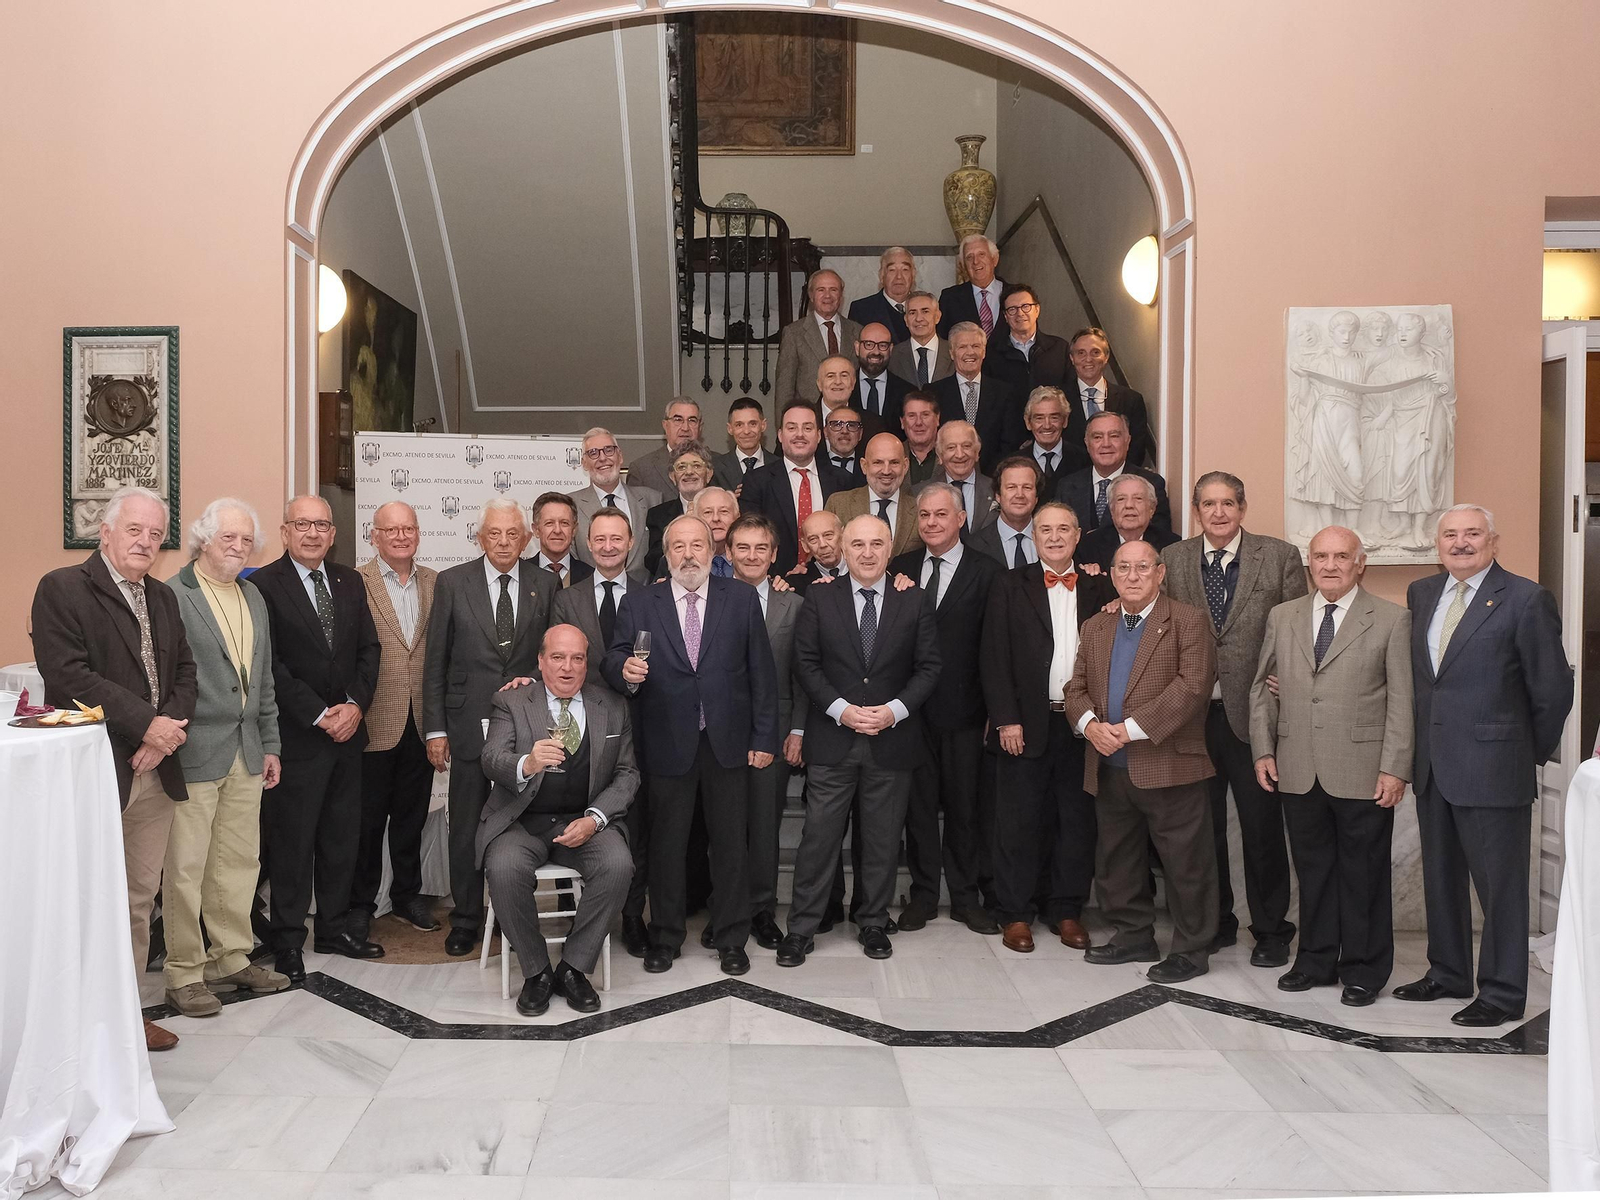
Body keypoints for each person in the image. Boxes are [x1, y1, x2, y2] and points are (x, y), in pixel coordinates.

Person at [32, 485, 198, 1052]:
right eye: (134, 530)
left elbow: (185, 674)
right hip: (97, 768)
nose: (146, 542)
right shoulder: (62, 588)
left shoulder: (163, 597)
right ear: (105, 533)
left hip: (155, 772)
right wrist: (146, 726)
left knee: (135, 901)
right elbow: (67, 675)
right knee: (83, 901)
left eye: (156, 534)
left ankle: (124, 1018)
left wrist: (163, 737)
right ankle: (71, 1025)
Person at [1395, 504, 1572, 1026]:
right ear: (1438, 544)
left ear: (1493, 541)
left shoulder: (1526, 598)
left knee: (1501, 889)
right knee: (1441, 878)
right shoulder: (1422, 593)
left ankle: (1502, 992)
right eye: (1450, 534)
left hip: (1496, 769)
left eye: (1472, 533)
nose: (1461, 543)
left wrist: (1520, 753)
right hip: (1433, 766)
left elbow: (1553, 691)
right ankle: (1448, 973)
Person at [603, 514, 778, 975]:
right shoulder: (640, 603)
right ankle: (665, 936)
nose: (688, 555)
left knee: (730, 846)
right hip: (665, 743)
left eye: (696, 545)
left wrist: (764, 737)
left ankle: (732, 938)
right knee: (667, 847)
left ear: (713, 550)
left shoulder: (740, 598)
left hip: (728, 743)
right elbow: (614, 656)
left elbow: (762, 673)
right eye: (678, 546)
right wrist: (624, 670)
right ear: (666, 554)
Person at [1250, 526, 1412, 1006]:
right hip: (1298, 766)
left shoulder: (1391, 619)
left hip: (1364, 769)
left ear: (1360, 564)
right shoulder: (1284, 615)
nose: (1330, 565)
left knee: (1364, 874)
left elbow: (1403, 700)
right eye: (1320, 556)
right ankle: (1315, 961)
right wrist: (1263, 749)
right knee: (1313, 871)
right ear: (1310, 563)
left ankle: (1363, 969)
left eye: (1341, 556)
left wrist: (1395, 768)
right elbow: (1262, 687)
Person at [780, 515, 941, 966]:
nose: (867, 553)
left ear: (890, 550)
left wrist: (894, 711)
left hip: (892, 739)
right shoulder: (819, 596)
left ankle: (872, 920)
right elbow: (805, 663)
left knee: (883, 839)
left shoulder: (914, 600)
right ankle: (801, 928)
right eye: (857, 545)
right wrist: (841, 710)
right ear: (843, 550)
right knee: (819, 839)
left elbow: (929, 667)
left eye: (876, 544)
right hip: (833, 738)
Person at [1161, 471, 1306, 965]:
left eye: (1227, 503)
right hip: (1192, 717)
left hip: (1256, 718)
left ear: (1242, 508)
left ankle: (1271, 931)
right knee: (1202, 830)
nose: (1218, 512)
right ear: (1196, 511)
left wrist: (1290, 682)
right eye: (1208, 504)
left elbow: (1298, 628)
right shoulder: (1173, 559)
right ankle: (1214, 923)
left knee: (1262, 830)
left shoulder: (1280, 556)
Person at [1065, 539, 1218, 982]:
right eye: (1123, 568)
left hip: (1170, 765)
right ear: (1112, 575)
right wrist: (1091, 725)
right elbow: (1075, 688)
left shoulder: (1188, 621)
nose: (1132, 576)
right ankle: (1133, 935)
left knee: (1187, 864)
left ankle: (1191, 949)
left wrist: (1128, 730)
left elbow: (1192, 687)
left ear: (1160, 573)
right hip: (1109, 766)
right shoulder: (1097, 625)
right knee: (1118, 859)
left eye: (1142, 567)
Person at [161, 498, 288, 1017]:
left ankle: (231, 958)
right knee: (186, 868)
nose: (238, 547)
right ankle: (183, 972)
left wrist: (271, 743)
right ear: (203, 540)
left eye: (246, 540)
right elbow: (164, 680)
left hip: (247, 751)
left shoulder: (253, 595)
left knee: (239, 862)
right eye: (227, 538)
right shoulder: (174, 595)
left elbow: (263, 679)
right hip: (193, 749)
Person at [251, 495, 383, 981]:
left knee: (340, 839)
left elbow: (369, 650)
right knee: (292, 843)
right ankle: (288, 940)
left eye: (322, 525)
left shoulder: (350, 581)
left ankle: (333, 928)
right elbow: (270, 665)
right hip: (297, 737)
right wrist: (319, 713)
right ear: (285, 531)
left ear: (333, 534)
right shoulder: (262, 585)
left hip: (348, 735)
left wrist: (355, 705)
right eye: (302, 524)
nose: (312, 533)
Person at [479, 625, 638, 1015]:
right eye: (557, 657)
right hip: (522, 821)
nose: (567, 667)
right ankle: (536, 971)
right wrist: (527, 763)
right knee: (504, 867)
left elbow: (627, 774)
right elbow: (491, 758)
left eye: (577, 658)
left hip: (582, 821)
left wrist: (595, 819)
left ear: (586, 663)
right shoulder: (512, 701)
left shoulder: (612, 705)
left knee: (618, 865)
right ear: (540, 660)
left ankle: (573, 968)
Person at [423, 497, 557, 956]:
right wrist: (435, 730)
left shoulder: (545, 584)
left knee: (515, 826)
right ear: (480, 538)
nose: (503, 542)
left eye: (512, 534)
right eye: (494, 534)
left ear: (527, 538)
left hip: (523, 729)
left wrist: (534, 678)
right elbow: (435, 660)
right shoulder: (452, 582)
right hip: (465, 726)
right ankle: (465, 918)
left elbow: (552, 653)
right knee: (465, 827)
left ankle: (511, 916)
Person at [983, 501, 1118, 952]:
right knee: (1018, 823)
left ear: (1078, 536)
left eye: (1064, 529)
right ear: (1034, 537)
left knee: (1076, 822)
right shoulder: (1009, 584)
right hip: (1025, 723)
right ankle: (1015, 913)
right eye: (1046, 530)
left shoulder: (1101, 586)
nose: (1055, 537)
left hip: (1084, 725)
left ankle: (1066, 910)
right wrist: (1006, 719)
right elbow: (994, 657)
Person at [891, 483, 1002, 932]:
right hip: (910, 713)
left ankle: (964, 897)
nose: (932, 522)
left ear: (960, 519)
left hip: (966, 711)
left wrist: (995, 711)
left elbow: (995, 646)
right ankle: (922, 896)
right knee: (917, 809)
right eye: (924, 515)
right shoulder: (899, 567)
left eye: (941, 514)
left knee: (964, 809)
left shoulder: (988, 571)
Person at [551, 509, 648, 954]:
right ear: (588, 545)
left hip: (642, 721)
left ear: (631, 543)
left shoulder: (651, 593)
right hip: (583, 724)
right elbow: (558, 657)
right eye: (600, 539)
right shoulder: (567, 598)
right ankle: (575, 912)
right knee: (577, 809)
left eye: (617, 539)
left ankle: (632, 915)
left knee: (637, 821)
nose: (609, 547)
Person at [352, 500, 439, 939]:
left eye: (409, 529)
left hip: (421, 722)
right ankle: (360, 905)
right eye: (391, 530)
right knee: (366, 823)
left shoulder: (436, 582)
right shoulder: (355, 582)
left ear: (418, 534)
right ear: (375, 536)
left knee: (411, 819)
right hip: (373, 721)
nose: (401, 536)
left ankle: (407, 896)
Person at [727, 512, 808, 950]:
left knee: (763, 826)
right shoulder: (710, 598)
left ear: (774, 554)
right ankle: (726, 910)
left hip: (775, 731)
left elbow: (804, 674)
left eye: (761, 548)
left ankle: (761, 909)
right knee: (723, 826)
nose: (752, 555)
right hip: (719, 732)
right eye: (743, 547)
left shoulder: (794, 605)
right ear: (728, 552)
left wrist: (798, 730)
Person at [742, 399, 853, 574]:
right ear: (780, 435)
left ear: (819, 435)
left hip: (832, 580)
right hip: (777, 581)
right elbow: (752, 537)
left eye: (807, 428)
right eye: (792, 428)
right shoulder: (756, 481)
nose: (799, 434)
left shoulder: (842, 480)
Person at [568, 426, 662, 582]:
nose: (602, 458)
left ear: (620, 456)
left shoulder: (652, 500)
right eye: (593, 453)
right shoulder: (571, 505)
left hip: (644, 592)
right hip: (591, 593)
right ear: (584, 463)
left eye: (608, 450)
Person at [1056, 411, 1172, 536]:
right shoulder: (1067, 486)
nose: (1106, 444)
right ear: (1087, 443)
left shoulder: (1151, 483)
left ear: (1127, 441)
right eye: (1097, 437)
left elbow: (1160, 536)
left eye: (1114, 436)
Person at [931, 322, 1023, 475]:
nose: (970, 352)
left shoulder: (1005, 393)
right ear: (952, 353)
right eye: (962, 347)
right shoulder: (934, 392)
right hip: (946, 476)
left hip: (992, 478)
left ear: (984, 352)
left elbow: (1009, 444)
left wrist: (989, 477)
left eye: (975, 346)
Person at [1065, 326, 1155, 469]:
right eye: (1081, 353)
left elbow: (1136, 450)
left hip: (1119, 479)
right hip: (1071, 479)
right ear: (1072, 358)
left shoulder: (1131, 400)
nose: (1088, 359)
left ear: (1106, 357)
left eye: (1095, 352)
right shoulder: (1059, 399)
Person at [825, 433, 922, 557]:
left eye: (894, 462)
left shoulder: (920, 509)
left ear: (905, 466)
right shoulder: (838, 505)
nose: (886, 471)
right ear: (864, 466)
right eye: (878, 462)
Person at [775, 269, 862, 404]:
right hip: (809, 414)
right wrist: (784, 417)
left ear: (841, 295)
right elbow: (784, 387)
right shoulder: (794, 333)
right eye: (821, 290)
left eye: (833, 290)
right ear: (811, 295)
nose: (827, 296)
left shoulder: (857, 331)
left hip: (848, 412)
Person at [1078, 474, 1180, 573]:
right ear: (1112, 510)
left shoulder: (1172, 546)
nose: (1129, 505)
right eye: (1121, 499)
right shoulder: (1088, 546)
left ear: (1151, 509)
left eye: (1138, 498)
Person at [984, 284, 1070, 396]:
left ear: (1037, 310)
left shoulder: (1060, 349)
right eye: (1012, 309)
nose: (1020, 313)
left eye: (1025, 306)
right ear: (1005, 316)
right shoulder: (992, 355)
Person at [645, 442, 714, 577]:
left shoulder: (723, 512)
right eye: (681, 467)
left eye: (696, 466)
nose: (689, 472)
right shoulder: (657, 515)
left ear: (709, 474)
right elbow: (652, 560)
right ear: (672, 476)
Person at [970, 456, 1042, 569]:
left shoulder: (1052, 540)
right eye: (1011, 487)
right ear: (998, 496)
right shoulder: (973, 546)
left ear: (1036, 497)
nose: (1019, 495)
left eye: (1027, 487)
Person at [626, 397, 705, 497]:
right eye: (678, 420)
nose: (685, 428)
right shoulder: (641, 469)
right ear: (665, 425)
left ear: (700, 427)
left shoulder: (717, 465)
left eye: (692, 420)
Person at [925, 420, 995, 532]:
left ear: (977, 452)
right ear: (940, 455)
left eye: (966, 446)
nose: (960, 455)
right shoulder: (921, 492)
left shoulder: (996, 489)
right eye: (951, 448)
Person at [937, 234, 1006, 338]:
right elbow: (942, 338)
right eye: (969, 257)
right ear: (963, 266)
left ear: (994, 260)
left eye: (981, 254)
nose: (976, 261)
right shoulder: (949, 298)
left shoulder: (1014, 294)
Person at [847, 245, 916, 342]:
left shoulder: (927, 308)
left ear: (913, 275)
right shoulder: (861, 310)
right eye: (892, 270)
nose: (899, 276)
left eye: (905, 269)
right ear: (881, 275)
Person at [853, 323, 909, 439]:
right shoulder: (844, 389)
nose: (876, 352)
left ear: (891, 349)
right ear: (857, 348)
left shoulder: (907, 392)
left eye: (883, 345)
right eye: (869, 344)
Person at [889, 291, 954, 388]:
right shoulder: (893, 355)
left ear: (937, 317)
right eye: (912, 313)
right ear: (906, 320)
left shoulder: (954, 351)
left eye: (925, 311)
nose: (919, 318)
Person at [529, 492, 593, 587]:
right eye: (549, 523)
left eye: (564, 523)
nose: (557, 530)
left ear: (574, 530)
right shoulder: (521, 574)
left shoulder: (591, 576)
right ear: (536, 530)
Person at [1017, 385, 1074, 489]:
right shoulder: (1014, 463)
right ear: (1028, 422)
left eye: (1054, 417)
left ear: (1065, 420)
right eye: (1039, 418)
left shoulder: (1084, 460)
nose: (1047, 426)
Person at [711, 397, 772, 491]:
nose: (746, 431)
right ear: (730, 429)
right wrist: (730, 499)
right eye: (739, 425)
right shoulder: (715, 468)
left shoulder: (779, 465)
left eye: (753, 424)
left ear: (763, 425)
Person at [784, 510, 847, 591]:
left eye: (828, 535)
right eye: (813, 539)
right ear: (805, 545)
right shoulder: (795, 585)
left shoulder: (861, 568)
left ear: (842, 535)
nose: (822, 544)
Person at [689, 486, 740, 577]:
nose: (716, 518)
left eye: (724, 511)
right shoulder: (681, 559)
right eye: (708, 512)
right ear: (695, 519)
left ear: (737, 517)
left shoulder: (753, 556)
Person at [901, 391, 943, 485]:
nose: (919, 422)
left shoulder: (951, 454)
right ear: (902, 422)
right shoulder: (894, 455)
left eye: (925, 415)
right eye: (912, 416)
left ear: (937, 419)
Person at [821, 406, 865, 479]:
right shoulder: (816, 465)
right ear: (825, 432)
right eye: (837, 425)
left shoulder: (869, 466)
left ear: (860, 433)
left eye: (851, 425)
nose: (844, 431)